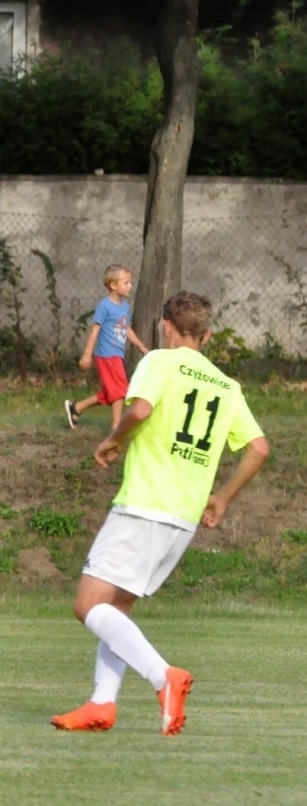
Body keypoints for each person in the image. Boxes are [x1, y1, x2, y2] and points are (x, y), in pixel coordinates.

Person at [51, 291, 269, 735]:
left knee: (87, 605)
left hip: (145, 503)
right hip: (183, 516)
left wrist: (114, 438)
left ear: (165, 327)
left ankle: (162, 675)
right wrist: (222, 498)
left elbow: (142, 408)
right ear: (207, 335)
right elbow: (259, 449)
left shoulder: (159, 362)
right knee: (118, 608)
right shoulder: (228, 387)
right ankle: (101, 704)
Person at [66, 265, 150, 431]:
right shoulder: (104, 306)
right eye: (126, 282)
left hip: (117, 355)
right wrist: (87, 354)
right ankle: (116, 427)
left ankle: (77, 407)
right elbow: (95, 330)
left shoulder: (124, 307)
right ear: (113, 285)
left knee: (112, 391)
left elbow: (126, 329)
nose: (130, 286)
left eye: (130, 282)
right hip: (106, 355)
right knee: (119, 390)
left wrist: (140, 346)